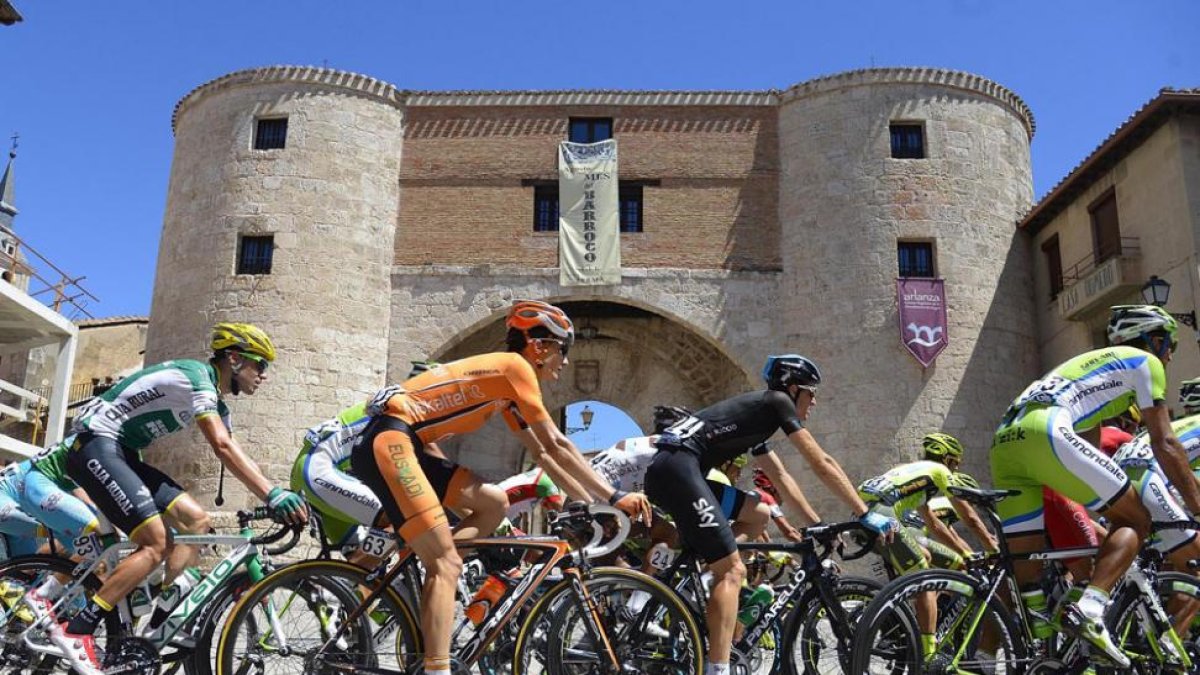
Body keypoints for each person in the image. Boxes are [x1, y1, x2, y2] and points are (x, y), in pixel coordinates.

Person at [351, 300, 651, 675]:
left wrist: (589, 502)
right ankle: (437, 664)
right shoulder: (515, 368)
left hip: (402, 443)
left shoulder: (506, 387)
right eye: (563, 350)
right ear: (539, 346)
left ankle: (431, 554)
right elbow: (558, 444)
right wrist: (614, 496)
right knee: (447, 563)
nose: (566, 362)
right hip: (390, 441)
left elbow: (543, 455)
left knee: (492, 503)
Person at [45, 323, 308, 675]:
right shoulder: (197, 377)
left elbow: (237, 454)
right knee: (154, 542)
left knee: (196, 521)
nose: (264, 375)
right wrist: (273, 494)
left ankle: (158, 622)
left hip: (123, 453)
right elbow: (222, 446)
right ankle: (77, 629)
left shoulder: (216, 400)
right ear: (234, 358)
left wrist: (275, 493)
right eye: (261, 365)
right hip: (96, 444)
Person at [644, 353, 897, 675]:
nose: (815, 402)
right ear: (792, 389)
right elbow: (821, 462)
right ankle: (717, 667)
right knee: (733, 571)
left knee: (759, 514)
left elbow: (782, 479)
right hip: (678, 470)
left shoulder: (759, 418)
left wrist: (816, 524)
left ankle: (709, 578)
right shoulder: (777, 401)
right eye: (811, 392)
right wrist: (864, 513)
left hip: (674, 471)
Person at [989, 305, 1200, 665]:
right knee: (1134, 520)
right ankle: (1091, 608)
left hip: (1005, 440)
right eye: (1170, 347)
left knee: (1026, 568)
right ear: (1155, 340)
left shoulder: (1090, 366)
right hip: (1047, 432)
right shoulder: (1144, 364)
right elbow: (1164, 443)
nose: (1169, 357)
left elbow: (1086, 446)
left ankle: (1039, 656)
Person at [291, 361, 507, 561]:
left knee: (363, 563)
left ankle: (351, 588)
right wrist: (488, 521)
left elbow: (447, 490)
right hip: (318, 469)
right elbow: (446, 487)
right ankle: (361, 575)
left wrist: (481, 519)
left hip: (319, 471)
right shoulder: (410, 412)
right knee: (404, 516)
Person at [857, 433, 996, 660]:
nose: (956, 469)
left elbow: (934, 525)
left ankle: (920, 623)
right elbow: (969, 517)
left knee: (949, 563)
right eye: (955, 463)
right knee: (924, 576)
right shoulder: (939, 471)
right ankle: (928, 652)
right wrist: (992, 546)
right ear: (947, 460)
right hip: (884, 515)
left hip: (863, 514)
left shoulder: (916, 476)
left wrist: (966, 554)